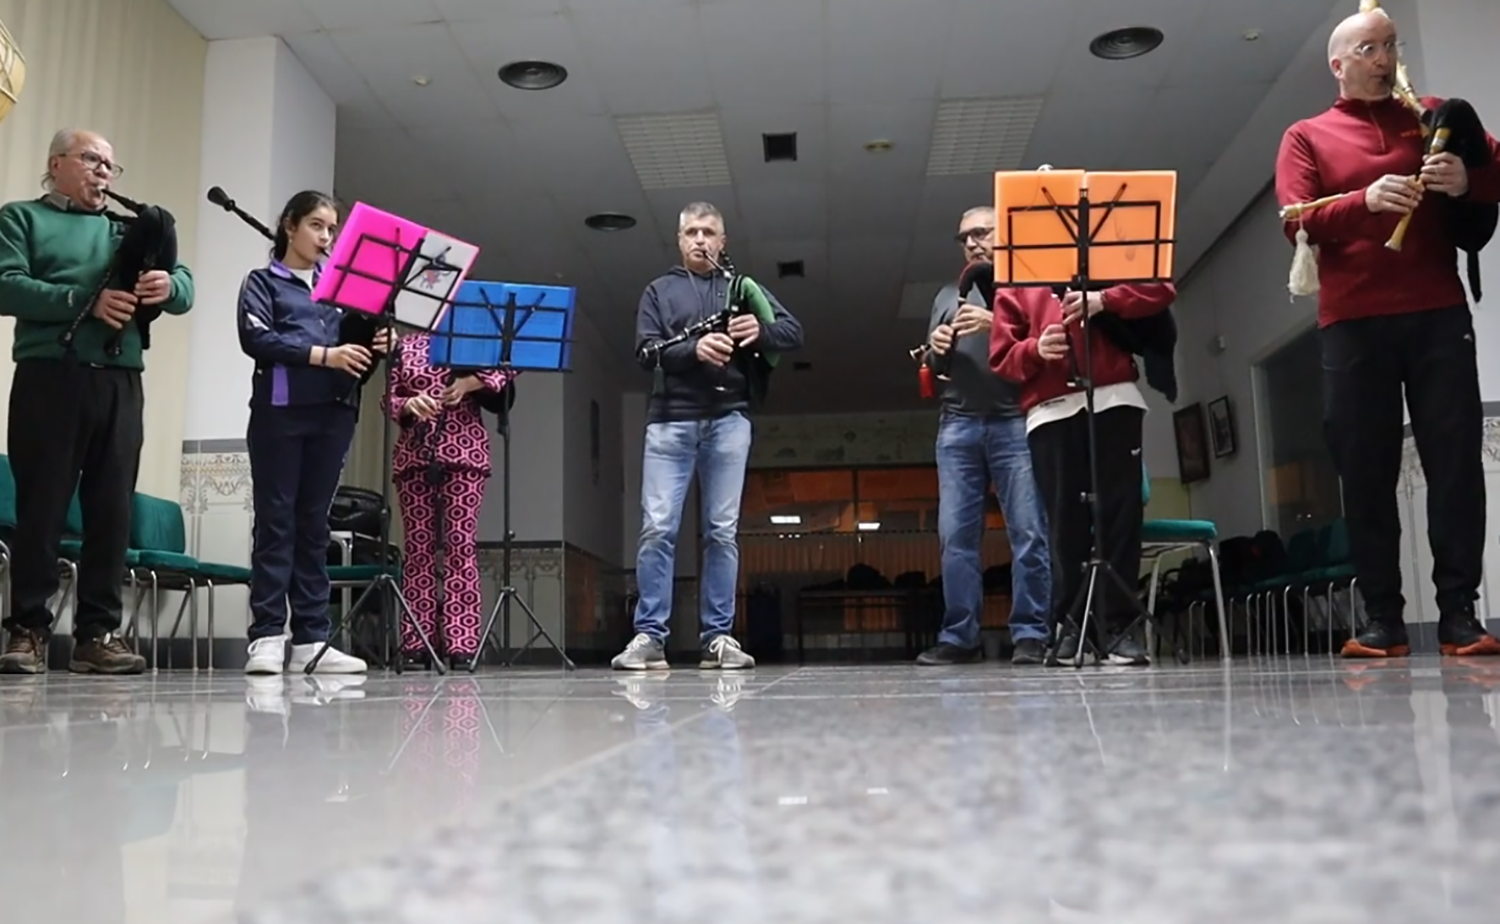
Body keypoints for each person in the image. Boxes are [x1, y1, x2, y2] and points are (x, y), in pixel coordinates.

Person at [1274, 5, 1500, 658]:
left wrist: (1467, 180)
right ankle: (1382, 620)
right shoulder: (1305, 135)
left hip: (1438, 313)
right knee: (1365, 471)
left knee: (1455, 467)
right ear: (1338, 64)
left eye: (1391, 46)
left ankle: (1460, 615)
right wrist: (1365, 201)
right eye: (1369, 48)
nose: (1384, 58)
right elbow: (1295, 218)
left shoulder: (1434, 116)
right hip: (1351, 324)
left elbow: (1493, 173)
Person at [0, 129, 194, 675]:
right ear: (56, 163)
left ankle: (97, 635)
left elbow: (184, 284)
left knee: (112, 509)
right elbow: (5, 285)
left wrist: (168, 287)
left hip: (120, 380)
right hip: (49, 375)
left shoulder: (126, 229)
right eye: (91, 159)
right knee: (41, 507)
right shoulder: (20, 218)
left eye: (111, 164)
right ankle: (28, 632)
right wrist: (83, 300)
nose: (104, 171)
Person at [613, 202, 804, 671]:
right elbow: (644, 353)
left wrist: (758, 331)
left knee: (722, 531)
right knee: (657, 527)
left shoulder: (742, 288)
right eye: (691, 232)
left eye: (709, 232)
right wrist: (694, 348)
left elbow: (793, 332)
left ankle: (718, 637)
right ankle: (649, 637)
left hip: (729, 419)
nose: (700, 240)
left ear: (724, 242)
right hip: (669, 420)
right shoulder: (658, 291)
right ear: (679, 241)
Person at [237, 190, 389, 675]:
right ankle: (265, 635)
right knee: (276, 519)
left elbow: (358, 349)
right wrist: (325, 355)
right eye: (317, 226)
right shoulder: (263, 282)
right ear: (289, 226)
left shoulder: (344, 290)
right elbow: (256, 338)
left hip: (334, 413)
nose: (326, 237)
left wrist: (376, 343)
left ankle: (311, 639)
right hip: (280, 412)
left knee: (314, 523)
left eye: (331, 229)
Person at [989, 282, 1176, 667]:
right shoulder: (1015, 282)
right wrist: (1035, 349)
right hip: (1050, 408)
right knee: (1063, 524)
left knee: (1121, 515)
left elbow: (1161, 288)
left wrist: (1104, 300)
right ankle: (1071, 625)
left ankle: (1120, 626)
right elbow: (1001, 356)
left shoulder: (1108, 257)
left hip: (1114, 397)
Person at [915, 206, 1052, 666]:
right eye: (965, 237)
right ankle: (959, 638)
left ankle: (1032, 633)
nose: (973, 243)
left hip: (1016, 420)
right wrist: (936, 353)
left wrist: (996, 323)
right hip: (956, 424)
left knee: (1029, 532)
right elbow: (934, 372)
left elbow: (1050, 349)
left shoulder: (1030, 290)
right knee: (956, 537)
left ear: (1005, 235)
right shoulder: (944, 296)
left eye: (981, 233)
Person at [385, 330, 515, 668]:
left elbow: (509, 369)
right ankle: (417, 642)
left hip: (465, 453)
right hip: (415, 454)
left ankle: (462, 642)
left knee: (460, 545)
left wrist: (470, 383)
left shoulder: (473, 338)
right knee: (418, 548)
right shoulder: (405, 344)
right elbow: (389, 397)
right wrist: (409, 404)